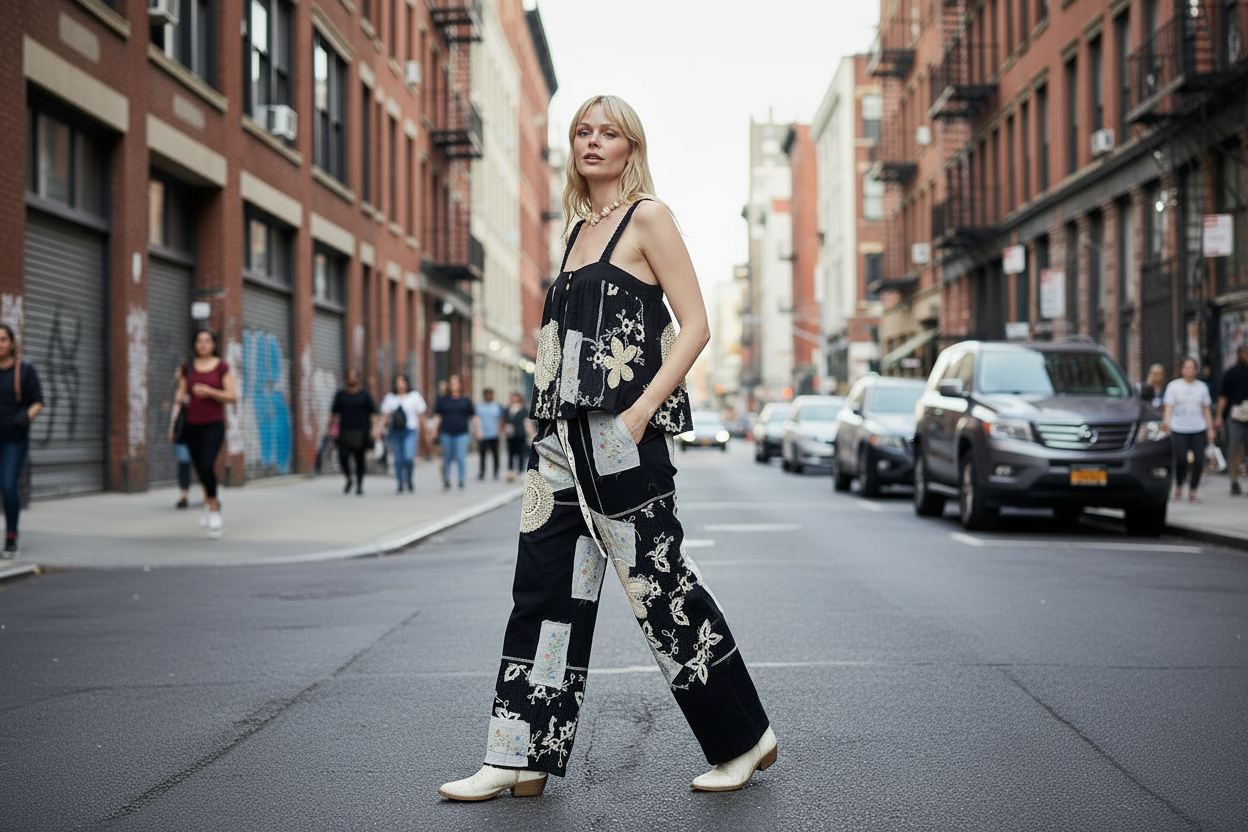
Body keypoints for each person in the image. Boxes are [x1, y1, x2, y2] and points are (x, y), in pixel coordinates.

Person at [439, 95, 773, 803]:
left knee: (658, 590)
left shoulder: (647, 217)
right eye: (583, 131)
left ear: (631, 147)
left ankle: (744, 740)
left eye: (608, 132)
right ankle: (519, 753)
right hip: (559, 441)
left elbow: (697, 325)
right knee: (542, 590)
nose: (594, 141)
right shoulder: (575, 231)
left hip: (623, 437)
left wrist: (641, 413)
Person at [173, 329, 236, 538]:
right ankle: (208, 504)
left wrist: (210, 392)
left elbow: (232, 396)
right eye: (199, 340)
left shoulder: (221, 367)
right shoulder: (188, 368)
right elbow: (179, 396)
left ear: (214, 344)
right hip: (191, 425)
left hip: (213, 424)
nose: (203, 344)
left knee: (208, 463)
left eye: (207, 340)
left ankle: (215, 507)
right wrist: (172, 424)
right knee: (200, 468)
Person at [0, 325, 42, 558]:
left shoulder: (25, 371)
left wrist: (25, 416)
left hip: (14, 440)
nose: (0, 344)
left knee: (8, 485)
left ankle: (11, 537)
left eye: (4, 339)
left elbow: (38, 402)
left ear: (12, 343)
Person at [1163, 356, 1215, 502]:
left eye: (1192, 368)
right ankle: (1179, 484)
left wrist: (1210, 429)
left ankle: (1193, 489)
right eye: (1187, 368)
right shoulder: (1174, 386)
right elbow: (1168, 409)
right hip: (1179, 427)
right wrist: (1165, 426)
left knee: (1199, 459)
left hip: (1198, 427)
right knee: (1180, 459)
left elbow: (1206, 409)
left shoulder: (1202, 387)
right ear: (1181, 370)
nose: (1190, 371)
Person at [331, 369, 377, 496]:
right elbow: (333, 413)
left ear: (357, 378)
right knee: (343, 458)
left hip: (361, 432)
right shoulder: (340, 395)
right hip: (344, 431)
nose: (352, 379)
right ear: (346, 379)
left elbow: (373, 413)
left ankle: (359, 485)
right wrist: (329, 430)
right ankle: (349, 479)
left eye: (354, 376)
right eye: (349, 376)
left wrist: (374, 429)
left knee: (359, 459)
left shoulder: (364, 395)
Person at [379, 373, 426, 494]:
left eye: (402, 382)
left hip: (410, 430)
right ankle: (400, 482)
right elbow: (385, 416)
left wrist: (425, 434)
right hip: (394, 431)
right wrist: (378, 429)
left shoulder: (414, 396)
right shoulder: (390, 397)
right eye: (397, 382)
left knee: (408, 458)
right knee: (398, 459)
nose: (400, 385)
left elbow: (421, 416)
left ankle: (409, 479)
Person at [1215, 345, 1248, 495]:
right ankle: (1234, 481)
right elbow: (1224, 396)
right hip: (1236, 416)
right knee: (1234, 448)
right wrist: (1219, 417)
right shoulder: (1232, 373)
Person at [433, 375, 474, 490]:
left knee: (460, 457)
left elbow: (473, 416)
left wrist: (479, 431)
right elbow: (438, 416)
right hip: (446, 432)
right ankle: (446, 478)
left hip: (462, 432)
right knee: (447, 457)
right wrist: (434, 429)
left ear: (460, 385)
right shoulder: (442, 400)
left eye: (456, 383)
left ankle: (461, 480)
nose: (454, 386)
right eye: (452, 383)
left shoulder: (465, 400)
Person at [475, 387, 504, 481]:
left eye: (490, 395)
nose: (488, 396)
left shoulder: (496, 406)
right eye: (487, 395)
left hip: (494, 433)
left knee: (495, 454)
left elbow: (500, 419)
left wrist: (500, 431)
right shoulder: (479, 406)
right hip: (483, 434)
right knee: (482, 454)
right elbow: (476, 419)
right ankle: (482, 472)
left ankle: (496, 472)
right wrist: (477, 431)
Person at [502, 391, 531, 483]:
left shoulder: (523, 409)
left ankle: (521, 470)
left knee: (521, 452)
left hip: (521, 433)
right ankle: (510, 470)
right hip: (510, 434)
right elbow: (504, 421)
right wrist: (503, 430)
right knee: (511, 453)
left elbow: (527, 422)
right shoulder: (507, 409)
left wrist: (530, 433)